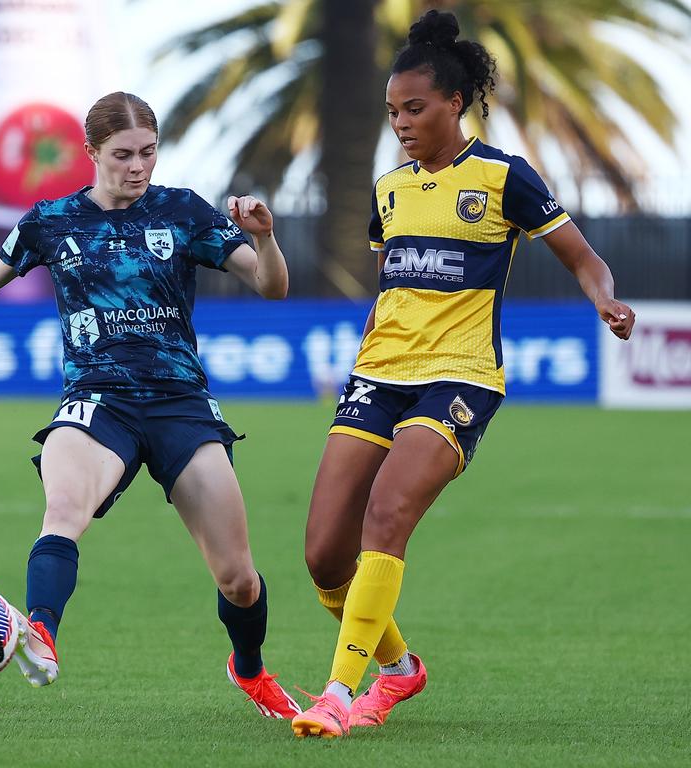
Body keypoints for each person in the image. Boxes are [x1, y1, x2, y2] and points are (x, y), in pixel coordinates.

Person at [0, 92, 302, 719]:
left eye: (148, 152)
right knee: (65, 508)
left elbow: (273, 287)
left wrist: (264, 239)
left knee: (238, 578)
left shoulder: (182, 212)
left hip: (180, 404)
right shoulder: (52, 220)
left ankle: (251, 669)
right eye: (123, 154)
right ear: (92, 152)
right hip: (97, 401)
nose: (138, 166)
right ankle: (39, 632)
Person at [291, 10, 636, 738]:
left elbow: (582, 255)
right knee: (324, 555)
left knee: (386, 517)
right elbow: (392, 287)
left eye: (413, 108)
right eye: (392, 112)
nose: (401, 123)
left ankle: (336, 693)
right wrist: (356, 361)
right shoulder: (390, 190)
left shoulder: (504, 177)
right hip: (378, 374)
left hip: (460, 374)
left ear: (456, 101)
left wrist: (605, 297)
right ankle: (399, 670)